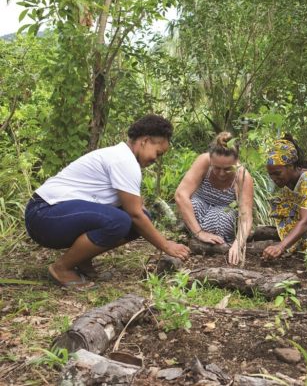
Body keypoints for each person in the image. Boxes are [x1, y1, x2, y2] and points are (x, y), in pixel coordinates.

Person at [25, 114, 190, 289]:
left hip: (53, 215)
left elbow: (138, 210)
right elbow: (134, 214)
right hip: (43, 215)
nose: (156, 159)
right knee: (122, 220)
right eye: (158, 153)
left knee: (138, 219)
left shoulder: (123, 158)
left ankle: (82, 259)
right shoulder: (124, 160)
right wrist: (167, 245)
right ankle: (61, 268)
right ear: (145, 141)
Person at [175, 132, 254, 265]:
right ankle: (196, 235)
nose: (222, 174)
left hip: (224, 211)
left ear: (236, 162)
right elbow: (180, 195)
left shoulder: (242, 176)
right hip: (201, 205)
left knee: (220, 216)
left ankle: (205, 241)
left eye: (228, 169)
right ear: (210, 160)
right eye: (216, 168)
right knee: (193, 204)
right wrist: (200, 232)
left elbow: (246, 216)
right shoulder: (203, 160)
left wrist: (238, 244)